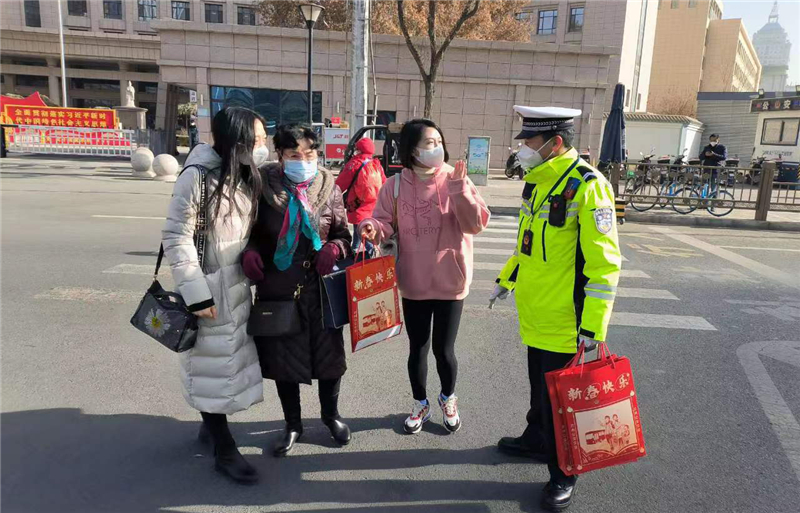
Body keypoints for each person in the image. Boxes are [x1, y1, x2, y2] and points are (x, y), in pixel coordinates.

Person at [491, 106, 622, 511]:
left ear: (555, 143)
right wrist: (507, 280)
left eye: (529, 142)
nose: (523, 149)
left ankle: (564, 473)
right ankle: (536, 439)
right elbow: (526, 244)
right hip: (536, 311)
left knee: (562, 401)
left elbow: (604, 264)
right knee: (539, 388)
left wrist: (593, 326)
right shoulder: (537, 183)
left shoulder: (588, 186)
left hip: (566, 319)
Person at [359, 119, 490, 435]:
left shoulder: (455, 178)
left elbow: (475, 224)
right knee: (417, 348)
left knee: (444, 351)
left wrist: (459, 188)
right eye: (429, 143)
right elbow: (383, 223)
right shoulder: (395, 185)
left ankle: (448, 397)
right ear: (412, 150)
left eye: (439, 142)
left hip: (451, 282)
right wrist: (372, 228)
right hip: (413, 282)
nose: (437, 149)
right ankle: (420, 402)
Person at [162, 106, 271, 484]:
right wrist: (196, 294)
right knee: (210, 366)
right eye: (257, 140)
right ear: (237, 140)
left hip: (236, 287)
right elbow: (176, 236)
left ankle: (211, 427)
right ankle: (224, 450)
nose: (263, 146)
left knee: (224, 366)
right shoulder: (197, 176)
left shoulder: (243, 174)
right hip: (207, 289)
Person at [241, 123, 353, 457]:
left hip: (321, 290)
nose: (303, 160)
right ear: (280, 155)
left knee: (330, 359)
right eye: (294, 154)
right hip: (279, 288)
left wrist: (334, 248)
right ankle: (293, 424)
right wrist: (251, 253)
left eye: (309, 153)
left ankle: (331, 416)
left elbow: (343, 235)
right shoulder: (262, 187)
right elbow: (250, 233)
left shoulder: (329, 187)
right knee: (284, 362)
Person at [335, 137, 386, 256]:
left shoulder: (354, 163)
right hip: (373, 204)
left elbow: (340, 184)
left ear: (358, 149)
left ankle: (373, 252)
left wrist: (333, 196)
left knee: (361, 230)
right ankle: (354, 250)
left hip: (357, 204)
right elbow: (384, 183)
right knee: (361, 227)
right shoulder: (376, 164)